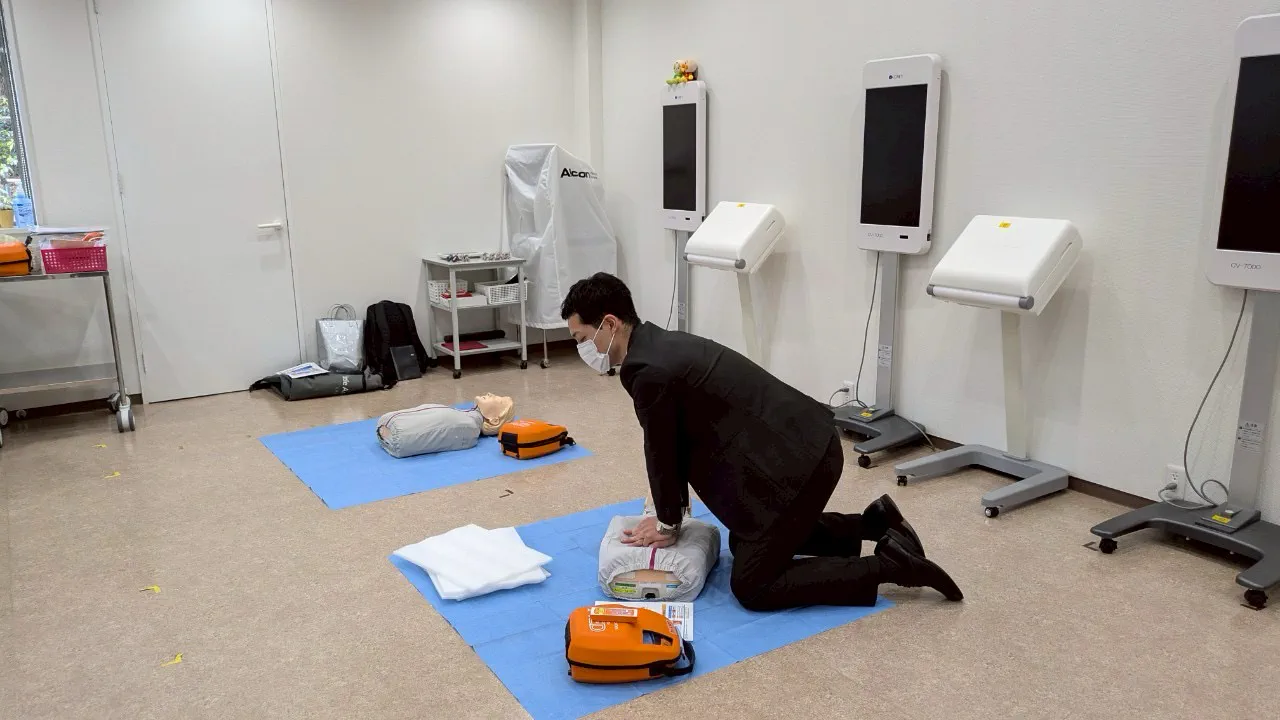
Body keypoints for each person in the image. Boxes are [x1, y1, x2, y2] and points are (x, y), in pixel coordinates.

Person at [561, 272, 963, 610]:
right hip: (806, 442)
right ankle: (874, 524)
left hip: (800, 464)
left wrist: (667, 524)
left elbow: (661, 451)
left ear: (610, 324)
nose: (582, 349)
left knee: (753, 585)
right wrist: (671, 513)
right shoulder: (659, 345)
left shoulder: (646, 372)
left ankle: (892, 567)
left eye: (582, 337)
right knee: (744, 538)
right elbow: (672, 444)